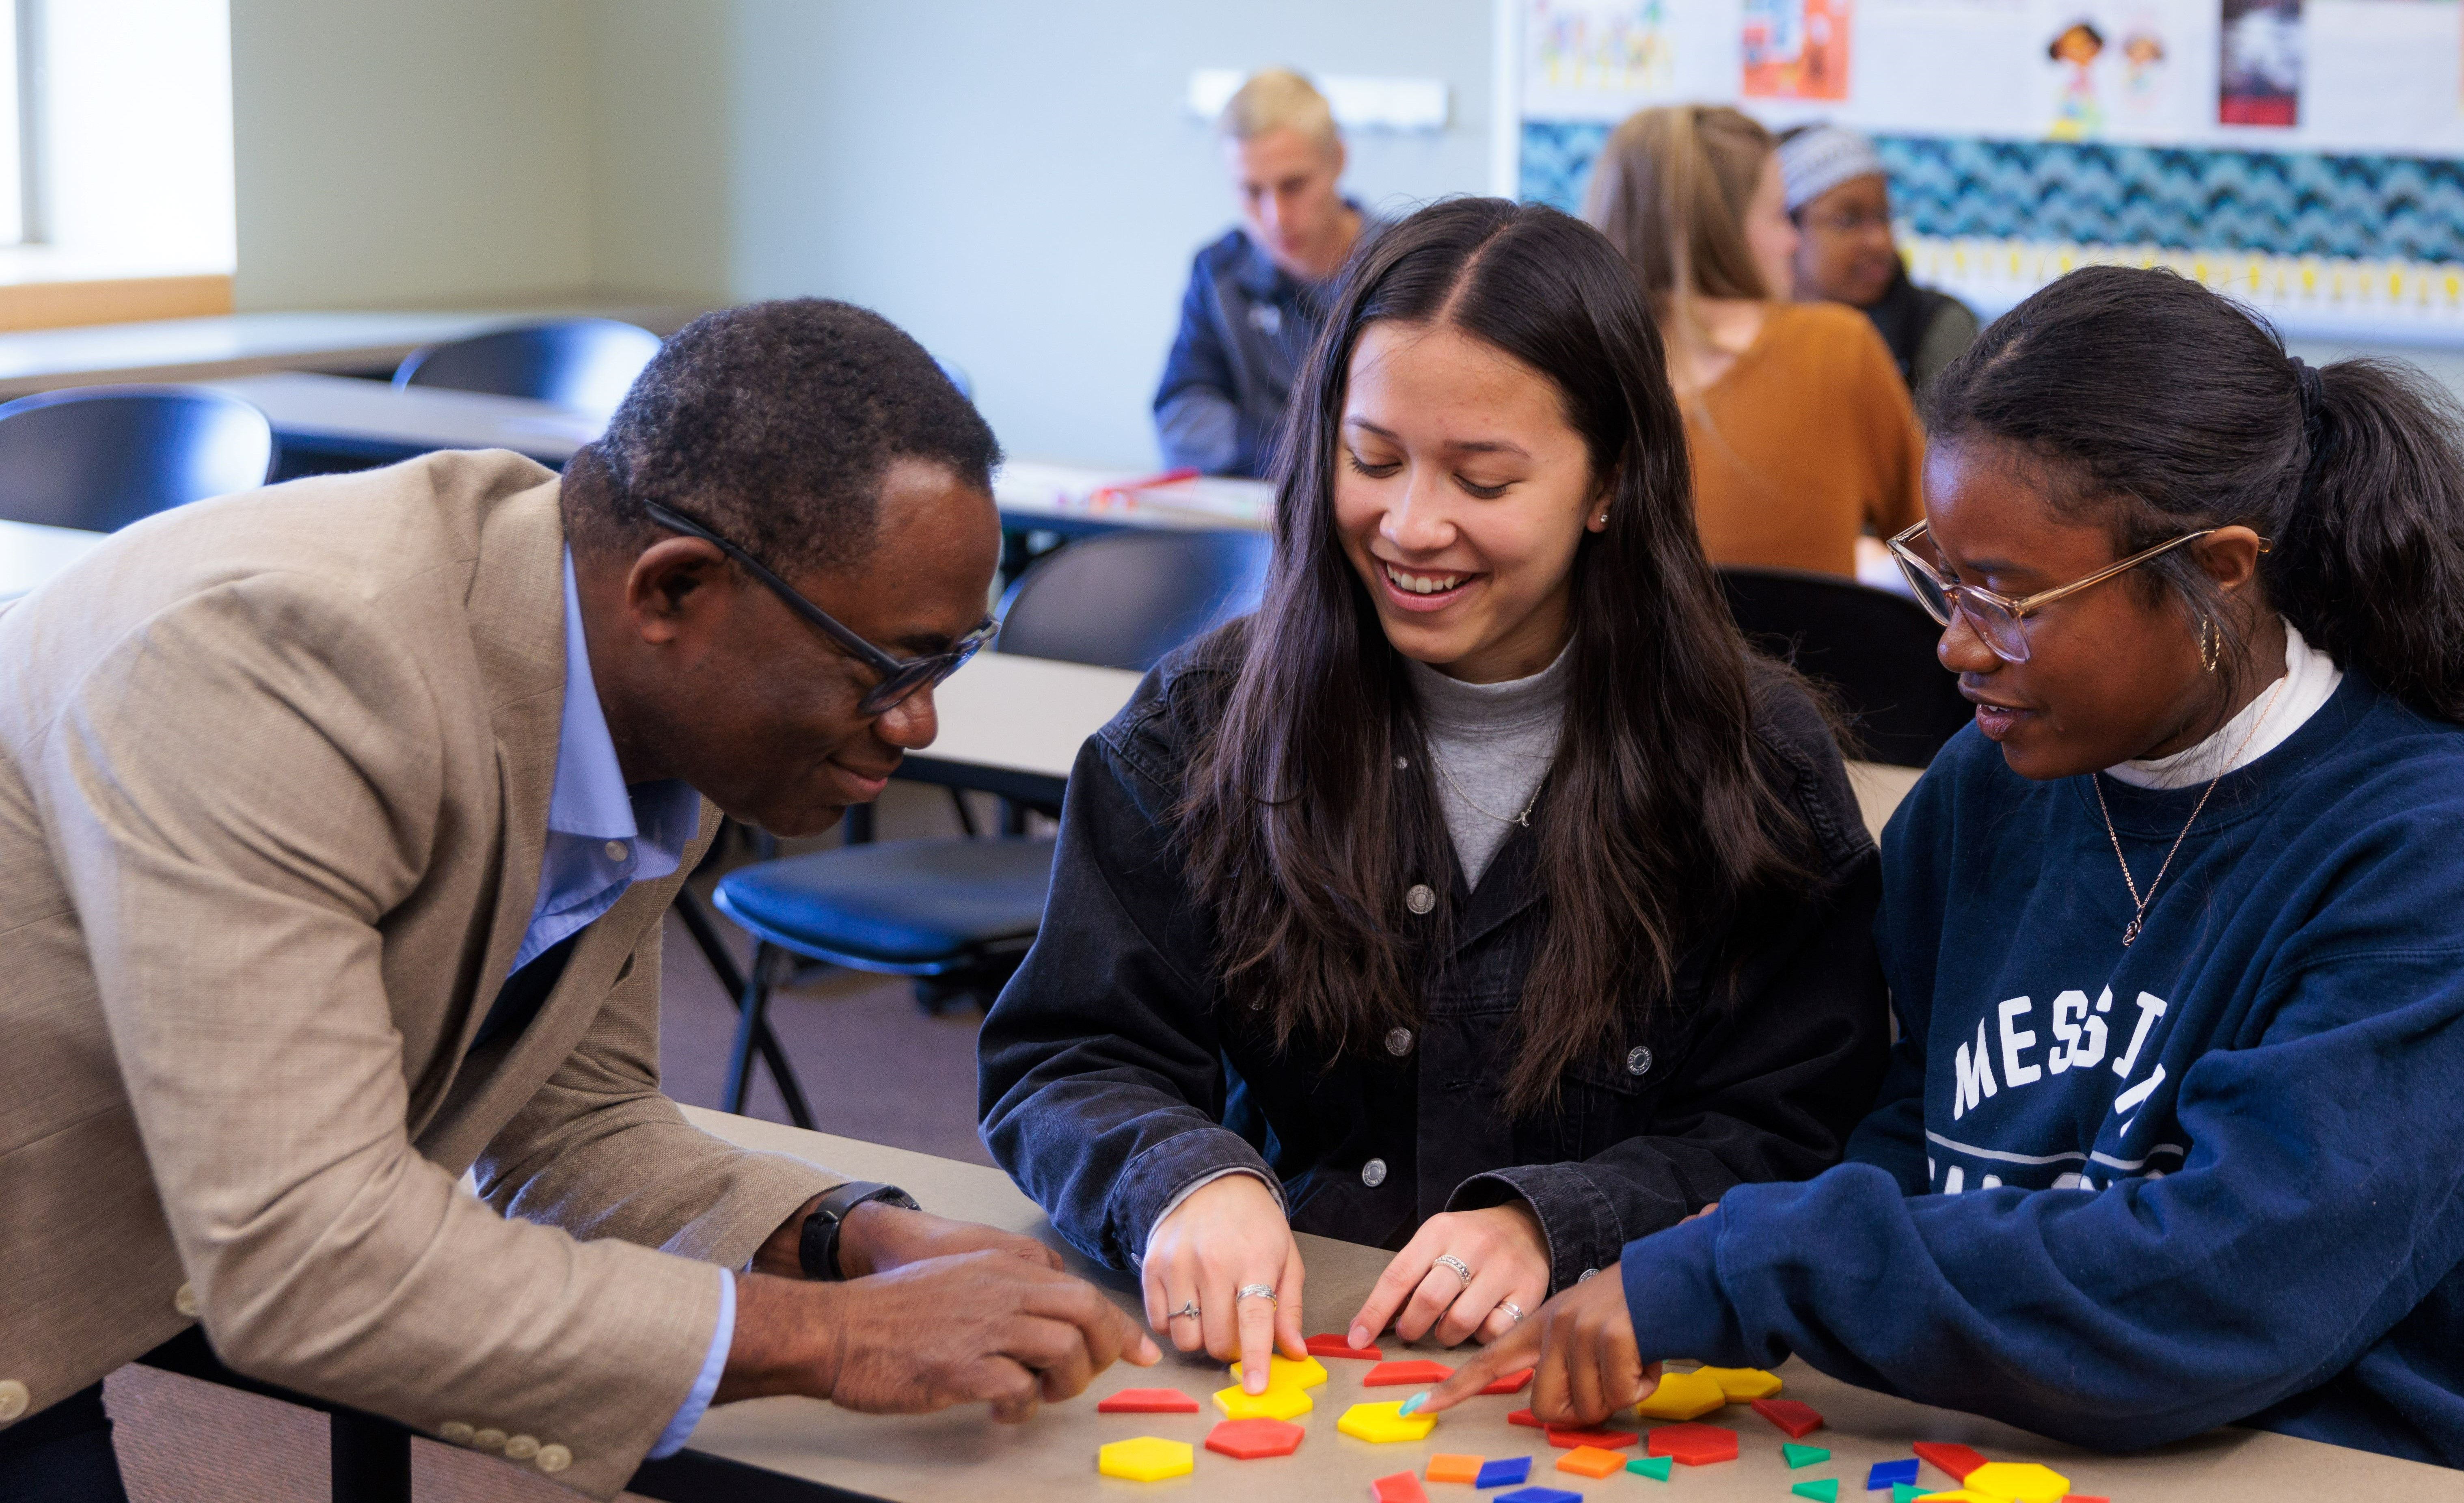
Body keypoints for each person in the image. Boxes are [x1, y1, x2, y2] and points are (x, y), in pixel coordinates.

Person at [1425, 267, 2464, 1503]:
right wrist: (1721, 1260)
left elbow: (2225, 1291)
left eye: (2013, 597)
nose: (1956, 643)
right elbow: (1910, 1137)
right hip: (2023, 1437)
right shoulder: (1987, 790)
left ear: (2222, 571)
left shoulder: (2443, 843)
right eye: (1946, 574)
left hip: (2361, 1457)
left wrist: (1756, 1262)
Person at [0, 300, 1161, 1503]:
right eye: (887, 665)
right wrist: (840, 1340)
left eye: (951, 656)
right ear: (673, 592)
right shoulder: (278, 664)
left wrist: (842, 1239)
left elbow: (572, 1121)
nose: (920, 722)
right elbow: (313, 1266)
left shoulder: (654, 692)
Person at [981, 198, 1891, 1399]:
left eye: (1483, 478)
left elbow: (1800, 1127)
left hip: (1591, 1396)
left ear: (1608, 481)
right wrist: (1184, 1178)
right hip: (1290, 1377)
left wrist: (1555, 1221)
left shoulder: (1752, 759)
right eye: (1371, 460)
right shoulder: (1205, 724)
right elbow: (1070, 1053)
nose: (1410, 525)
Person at [1585, 104, 1922, 578]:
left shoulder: (1574, 361)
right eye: (1778, 217)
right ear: (1719, 229)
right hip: (1808, 653)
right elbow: (1937, 542)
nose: (1791, 242)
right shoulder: (1837, 348)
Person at [1155, 68, 1374, 477]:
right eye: (1251, 191)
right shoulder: (1218, 273)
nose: (1276, 218)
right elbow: (1180, 421)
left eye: (1293, 185)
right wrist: (1305, 454)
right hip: (1257, 519)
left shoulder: (1407, 265)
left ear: (1338, 161)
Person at [1772, 124, 1980, 393]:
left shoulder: (1937, 329)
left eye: (1884, 216)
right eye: (1849, 221)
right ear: (1787, 228)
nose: (1880, 241)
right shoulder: (1742, 332)